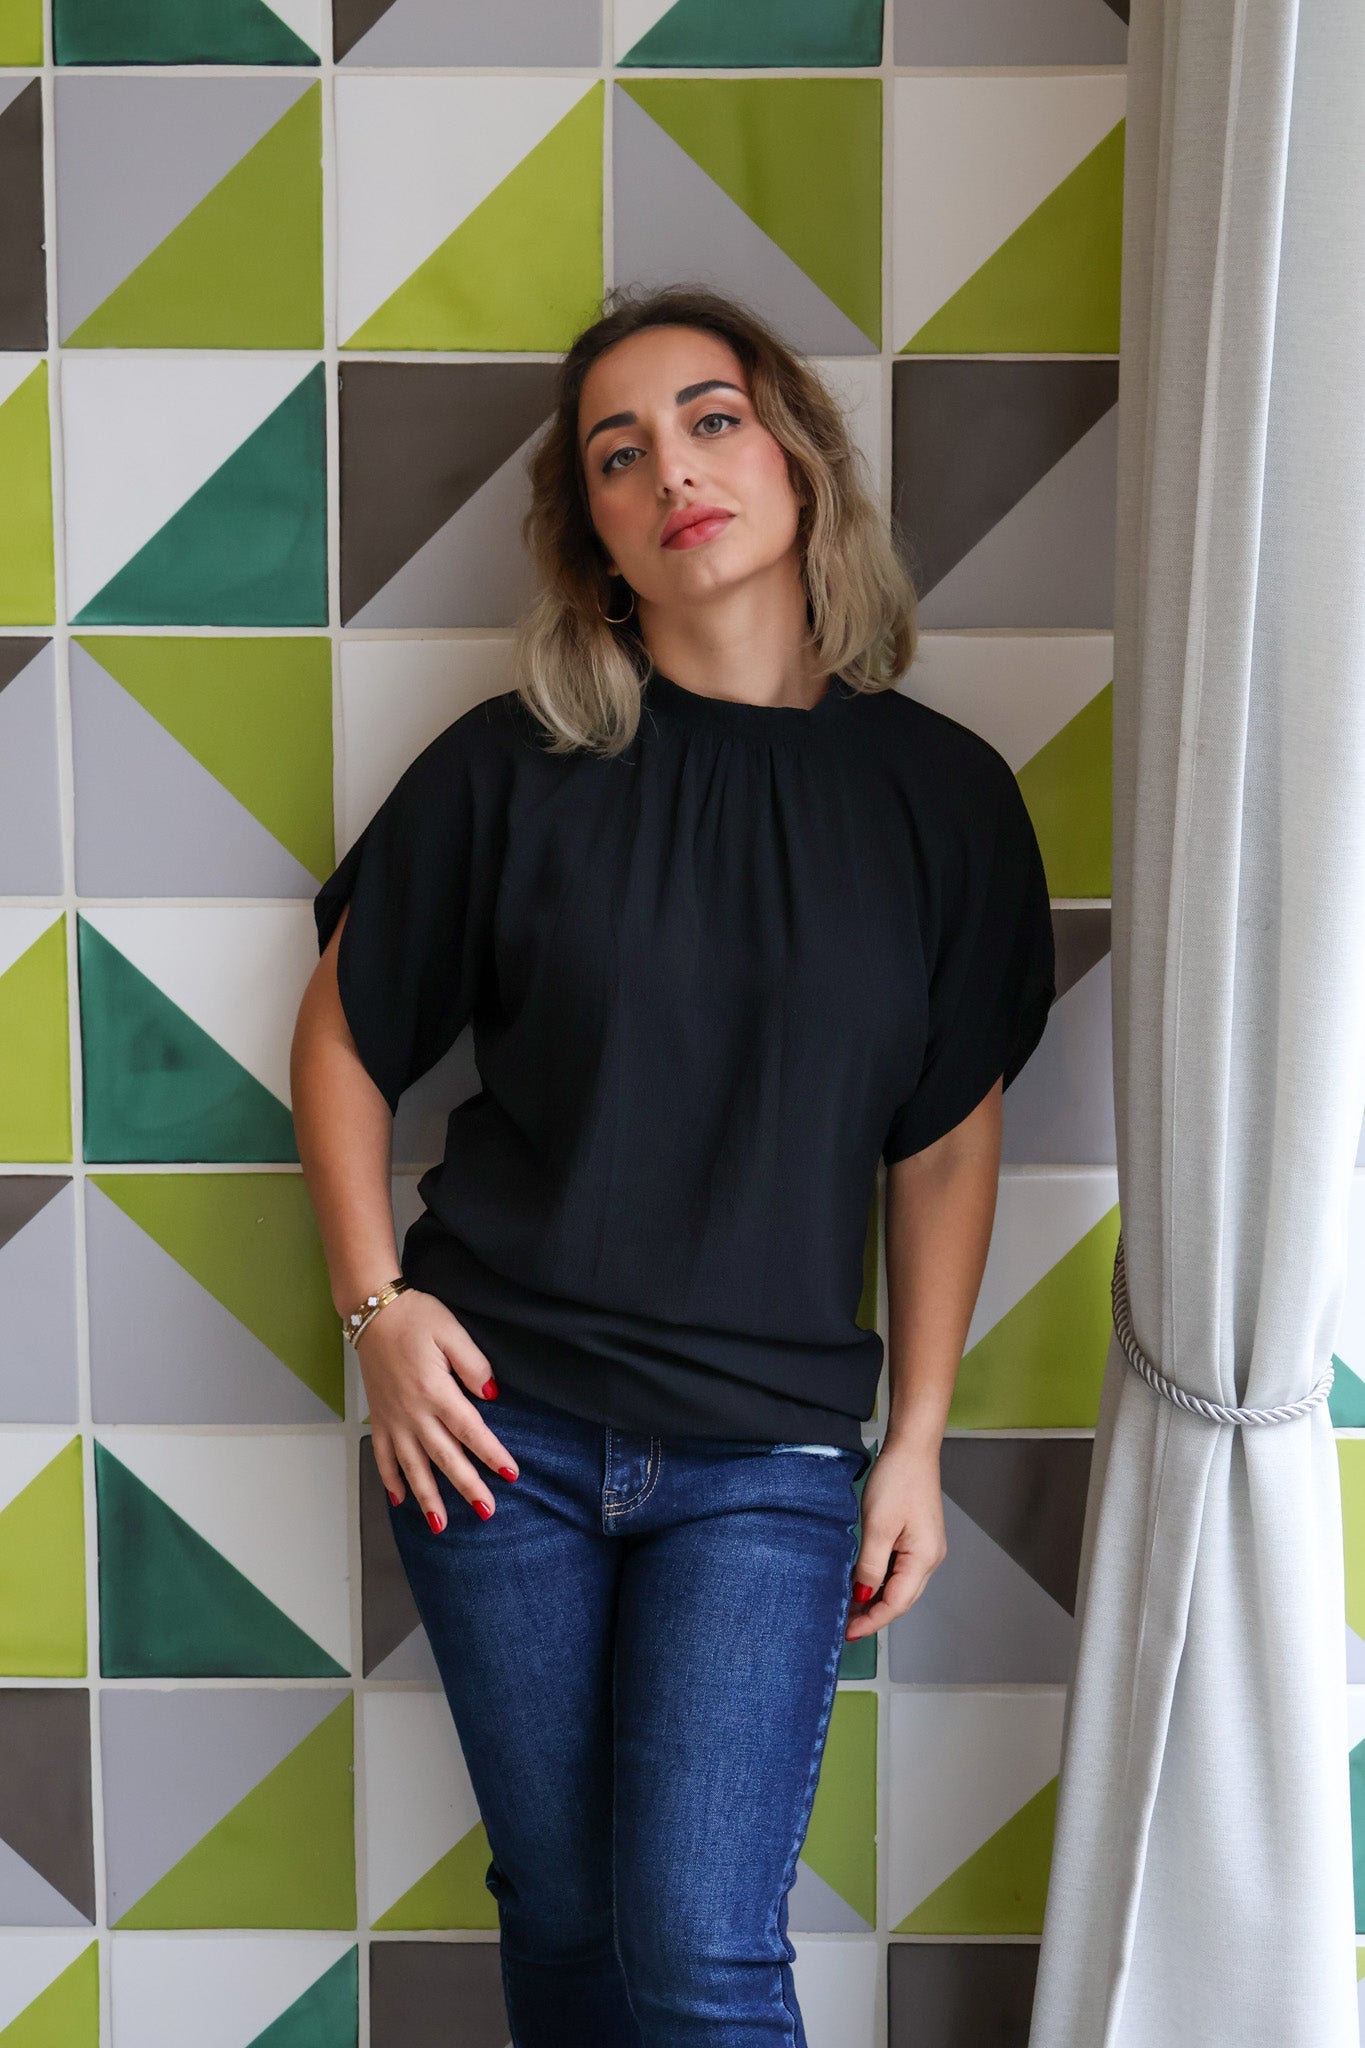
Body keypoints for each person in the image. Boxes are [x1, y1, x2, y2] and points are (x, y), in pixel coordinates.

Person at [290, 282, 1055, 2047]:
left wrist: (917, 1441)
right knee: (560, 1922)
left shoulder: (940, 798)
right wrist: (377, 1311)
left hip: (766, 1452)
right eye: (617, 454)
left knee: (699, 1949)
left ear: (794, 459)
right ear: (595, 534)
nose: (672, 472)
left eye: (710, 421)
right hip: (496, 1432)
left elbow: (942, 1140)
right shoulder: (513, 771)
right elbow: (342, 1038)